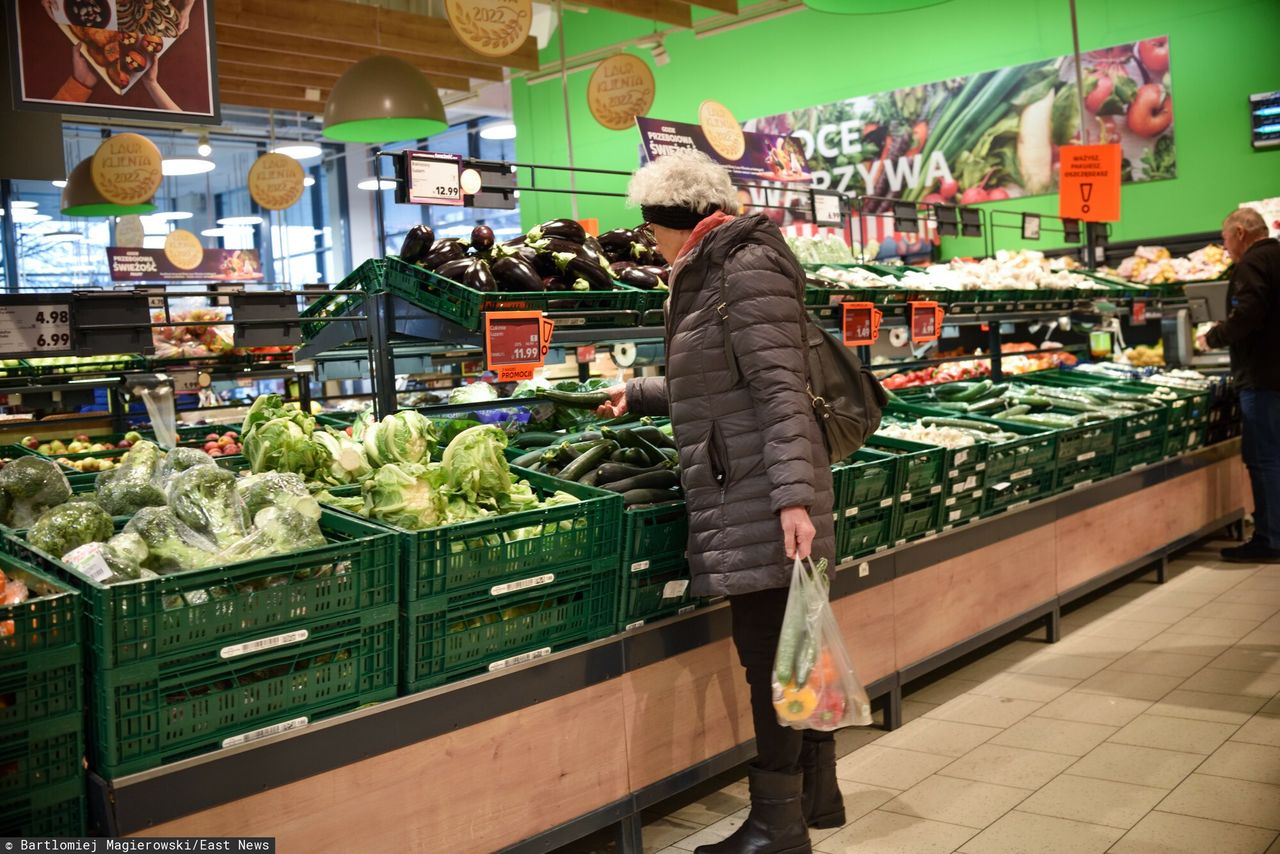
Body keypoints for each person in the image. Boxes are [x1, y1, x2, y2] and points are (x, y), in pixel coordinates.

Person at [598, 150, 838, 854]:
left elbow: (779, 393)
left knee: (771, 655)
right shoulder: (709, 270)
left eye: (651, 231)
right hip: (753, 483)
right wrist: (640, 393)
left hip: (764, 495)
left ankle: (776, 826)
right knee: (794, 649)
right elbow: (721, 382)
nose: (649, 244)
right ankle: (817, 794)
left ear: (676, 222)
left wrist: (793, 500)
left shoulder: (741, 267)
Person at [1197, 207, 1280, 562]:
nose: (1225, 246)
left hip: (1262, 377)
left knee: (1264, 459)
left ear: (1242, 233)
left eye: (1226, 239)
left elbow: (1246, 315)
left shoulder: (1251, 264)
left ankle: (1271, 539)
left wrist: (1212, 338)